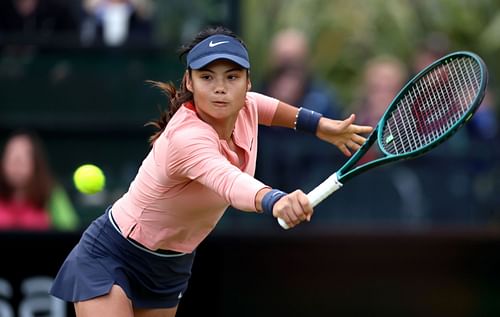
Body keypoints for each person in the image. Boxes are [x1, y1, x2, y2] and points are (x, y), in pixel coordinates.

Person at [49, 26, 372, 316]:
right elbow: (228, 181)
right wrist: (275, 200)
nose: (220, 88)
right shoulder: (187, 138)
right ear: (189, 81)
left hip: (171, 265)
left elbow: (268, 108)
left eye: (232, 77)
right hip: (113, 254)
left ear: (247, 81)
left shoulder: (245, 104)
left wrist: (319, 126)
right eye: (207, 77)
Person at [258, 28, 343, 192]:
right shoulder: (253, 100)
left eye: (295, 60)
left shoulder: (324, 103)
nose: (288, 68)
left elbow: (331, 158)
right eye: (283, 61)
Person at [0, 130, 79, 231]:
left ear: (36, 163)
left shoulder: (52, 193)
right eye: (11, 157)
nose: (16, 164)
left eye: (24, 157)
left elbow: (70, 230)